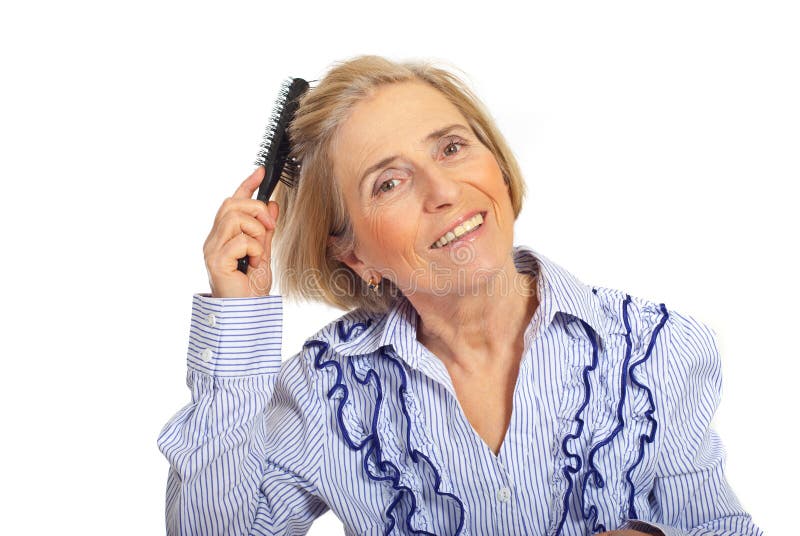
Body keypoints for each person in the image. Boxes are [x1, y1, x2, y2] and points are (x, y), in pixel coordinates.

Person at [158, 55, 762, 535]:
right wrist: (237, 318)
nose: (443, 190)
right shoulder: (323, 393)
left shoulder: (658, 350)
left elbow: (720, 527)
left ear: (496, 166)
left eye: (451, 147)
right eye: (389, 182)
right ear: (354, 255)